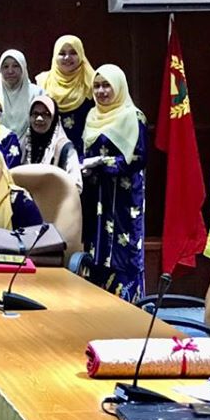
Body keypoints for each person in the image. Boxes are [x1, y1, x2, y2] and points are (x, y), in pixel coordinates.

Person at [81, 64, 147, 302]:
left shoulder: (134, 116)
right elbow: (85, 152)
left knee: (123, 251)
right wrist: (85, 165)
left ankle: (129, 305)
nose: (101, 91)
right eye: (97, 86)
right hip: (96, 194)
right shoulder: (92, 116)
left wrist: (104, 164)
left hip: (124, 196)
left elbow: (139, 157)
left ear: (119, 86)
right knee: (96, 248)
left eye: (107, 85)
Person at [35, 35, 96, 158]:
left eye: (73, 53)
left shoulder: (92, 82)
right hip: (50, 153)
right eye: (62, 53)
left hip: (84, 152)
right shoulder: (42, 82)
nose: (67, 57)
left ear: (81, 54)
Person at [24, 95, 83, 192]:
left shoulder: (65, 148)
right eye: (35, 113)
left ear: (54, 118)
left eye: (45, 114)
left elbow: (76, 186)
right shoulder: (25, 143)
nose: (39, 118)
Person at [0, 49, 43, 145]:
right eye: (5, 66)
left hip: (32, 147)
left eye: (16, 66)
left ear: (23, 67)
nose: (10, 71)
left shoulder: (38, 94)